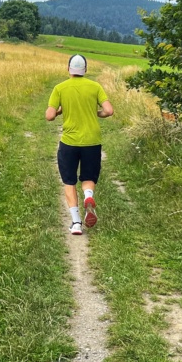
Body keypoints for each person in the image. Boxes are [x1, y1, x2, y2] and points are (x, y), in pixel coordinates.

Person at [46, 54, 114, 235]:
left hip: (69, 142)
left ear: (68, 69)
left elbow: (49, 116)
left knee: (69, 181)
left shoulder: (60, 88)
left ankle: (76, 223)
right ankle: (88, 197)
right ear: (86, 70)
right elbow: (109, 110)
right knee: (88, 177)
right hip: (92, 141)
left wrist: (60, 110)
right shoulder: (95, 87)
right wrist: (97, 113)